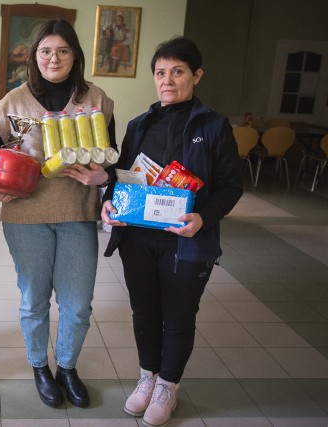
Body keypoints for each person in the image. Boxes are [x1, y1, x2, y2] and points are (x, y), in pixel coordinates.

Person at [101, 37, 243, 426]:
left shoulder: (213, 126)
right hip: (139, 239)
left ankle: (168, 385)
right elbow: (122, 179)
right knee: (144, 312)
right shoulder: (139, 125)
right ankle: (147, 376)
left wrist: (203, 217)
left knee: (178, 315)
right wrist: (110, 203)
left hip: (187, 241)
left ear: (196, 76)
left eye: (177, 72)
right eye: (160, 73)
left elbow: (232, 186)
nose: (167, 81)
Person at [0, 19, 116, 408]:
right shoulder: (10, 104)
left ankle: (67, 367)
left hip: (78, 213)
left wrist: (103, 175)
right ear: (34, 56)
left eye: (62, 50)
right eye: (45, 50)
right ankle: (39, 367)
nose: (53, 58)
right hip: (25, 216)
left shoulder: (97, 101)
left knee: (77, 305)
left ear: (75, 55)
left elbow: (115, 158)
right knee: (34, 299)